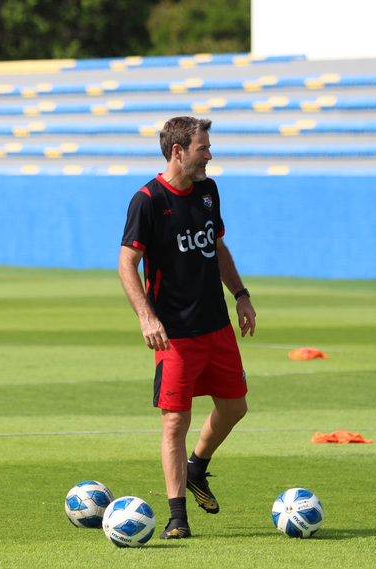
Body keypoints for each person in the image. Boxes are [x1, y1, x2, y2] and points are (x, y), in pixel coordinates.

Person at [118, 116, 257, 540]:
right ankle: (178, 516)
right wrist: (146, 315)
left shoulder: (209, 192)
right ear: (178, 151)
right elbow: (127, 264)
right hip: (174, 333)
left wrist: (241, 294)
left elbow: (217, 248)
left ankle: (198, 465)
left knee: (235, 408)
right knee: (174, 421)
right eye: (203, 148)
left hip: (216, 326)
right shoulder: (147, 200)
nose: (209, 155)